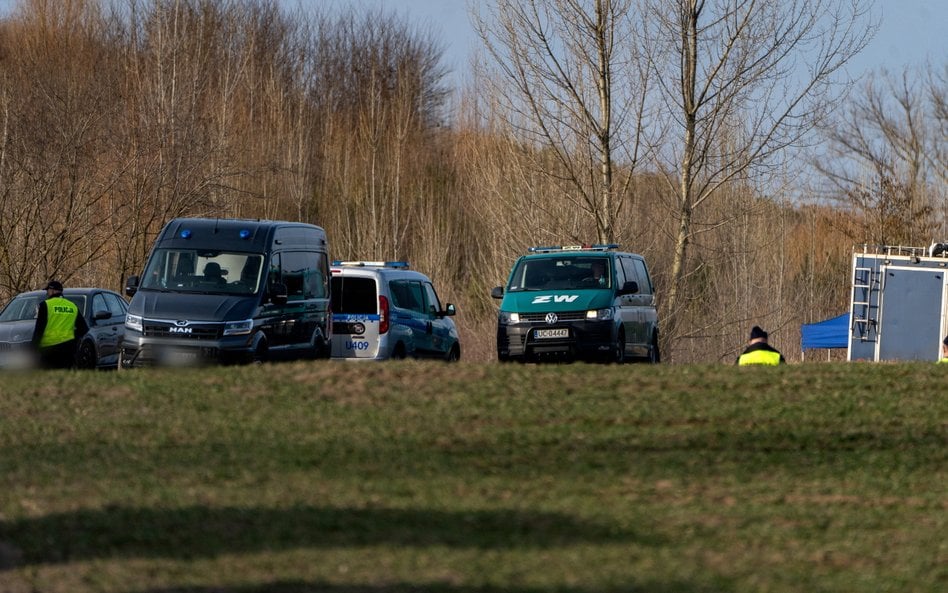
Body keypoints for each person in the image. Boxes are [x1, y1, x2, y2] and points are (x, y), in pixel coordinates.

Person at [31, 280, 88, 369]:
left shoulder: (45, 305)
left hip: (48, 349)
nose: (47, 293)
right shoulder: (72, 306)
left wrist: (33, 346)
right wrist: (73, 339)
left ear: (52, 291)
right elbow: (84, 328)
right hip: (68, 349)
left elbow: (39, 328)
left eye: (48, 290)